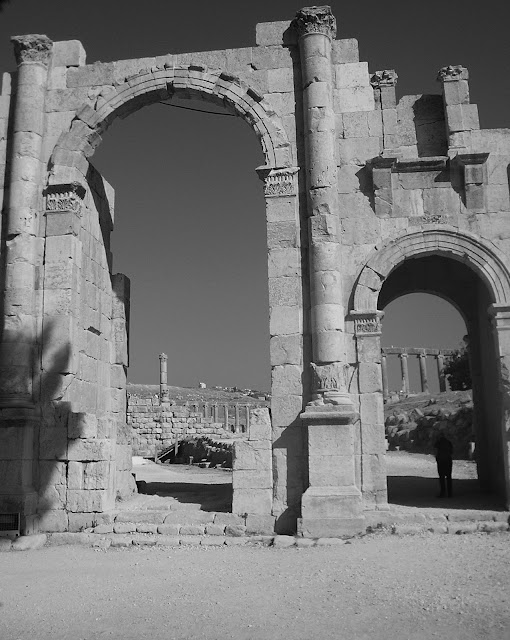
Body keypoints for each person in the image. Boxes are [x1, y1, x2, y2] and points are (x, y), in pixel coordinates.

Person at [434, 433, 453, 498]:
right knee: (449, 477)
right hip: (448, 461)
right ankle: (450, 493)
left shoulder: (438, 443)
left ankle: (443, 492)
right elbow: (451, 452)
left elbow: (435, 449)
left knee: (442, 478)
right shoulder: (448, 442)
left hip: (441, 461)